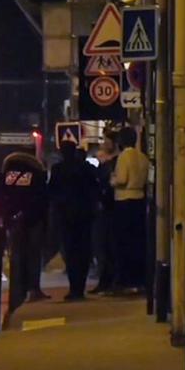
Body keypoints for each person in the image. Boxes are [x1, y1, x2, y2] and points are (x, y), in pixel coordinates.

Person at [47, 140, 100, 301]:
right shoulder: (86, 168)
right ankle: (80, 288)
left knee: (70, 253)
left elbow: (51, 191)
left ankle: (73, 289)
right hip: (84, 216)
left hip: (66, 216)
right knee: (83, 252)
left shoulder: (58, 170)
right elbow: (95, 188)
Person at [0, 150, 49, 304]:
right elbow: (42, 197)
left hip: (14, 220)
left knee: (17, 256)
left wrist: (8, 215)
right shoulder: (37, 173)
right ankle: (33, 289)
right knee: (33, 255)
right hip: (33, 219)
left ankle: (17, 291)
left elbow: (2, 195)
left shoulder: (8, 173)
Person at [111, 128, 151, 293]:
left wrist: (112, 180)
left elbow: (121, 179)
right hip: (139, 199)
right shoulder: (143, 157)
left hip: (124, 200)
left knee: (124, 242)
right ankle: (139, 278)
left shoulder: (123, 157)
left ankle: (126, 280)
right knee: (138, 242)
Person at [92, 136, 119, 293]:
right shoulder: (105, 165)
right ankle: (105, 280)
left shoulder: (112, 164)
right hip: (105, 209)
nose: (103, 144)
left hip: (108, 210)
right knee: (102, 247)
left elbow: (107, 185)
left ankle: (107, 281)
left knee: (106, 247)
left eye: (106, 141)